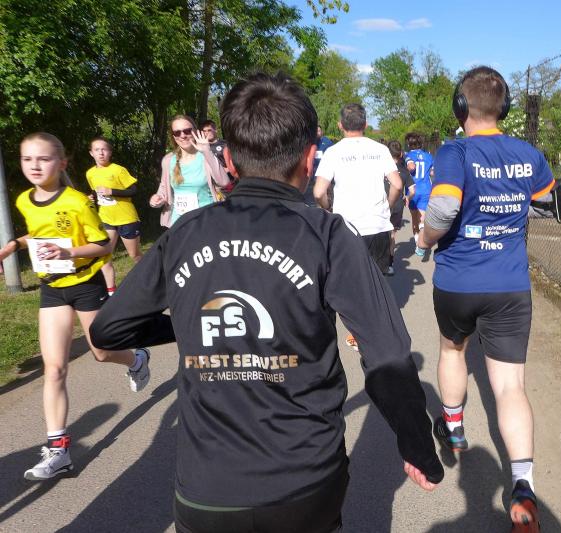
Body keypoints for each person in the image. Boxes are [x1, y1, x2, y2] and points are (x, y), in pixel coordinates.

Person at [90, 73, 443, 533]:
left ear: (228, 159)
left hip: (206, 494)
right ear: (310, 158)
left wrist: (191, 320)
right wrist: (416, 444)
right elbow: (387, 350)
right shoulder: (328, 234)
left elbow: (108, 330)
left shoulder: (185, 234)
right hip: (305, 488)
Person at [419, 66, 556, 533]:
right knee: (511, 387)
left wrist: (425, 239)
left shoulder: (454, 151)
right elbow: (550, 205)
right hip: (509, 285)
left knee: (452, 351)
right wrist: (509, 213)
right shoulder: (528, 153)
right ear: (506, 108)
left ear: (461, 107)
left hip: (459, 282)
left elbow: (443, 208)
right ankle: (522, 487)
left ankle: (453, 427)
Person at [0, 133, 150, 481]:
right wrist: (13, 245)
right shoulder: (23, 200)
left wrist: (68, 251)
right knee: (54, 369)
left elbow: (102, 245)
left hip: (85, 285)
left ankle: (136, 360)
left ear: (62, 163)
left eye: (44, 159)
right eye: (27, 159)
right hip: (52, 288)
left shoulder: (77, 201)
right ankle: (59, 452)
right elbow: (39, 233)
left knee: (101, 352)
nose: (35, 166)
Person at [313, 103, 403, 351]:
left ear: (340, 125)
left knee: (352, 281)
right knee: (378, 279)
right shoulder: (380, 149)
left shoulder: (333, 152)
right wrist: (388, 205)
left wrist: (328, 209)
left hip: (348, 226)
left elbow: (319, 191)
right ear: (365, 124)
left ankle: (357, 332)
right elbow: (397, 184)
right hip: (378, 223)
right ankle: (379, 327)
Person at [85, 137, 143, 296]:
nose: (101, 153)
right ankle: (111, 292)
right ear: (91, 153)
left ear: (110, 152)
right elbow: (96, 192)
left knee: (134, 255)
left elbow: (133, 190)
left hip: (126, 218)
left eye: (104, 149)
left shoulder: (118, 170)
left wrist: (112, 191)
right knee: (104, 255)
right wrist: (92, 198)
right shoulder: (90, 173)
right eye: (97, 150)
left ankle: (151, 278)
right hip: (106, 218)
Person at [150, 115, 230, 227]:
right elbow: (163, 189)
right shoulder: (168, 160)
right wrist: (157, 199)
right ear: (173, 136)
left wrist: (207, 151)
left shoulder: (206, 156)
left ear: (195, 131)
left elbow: (224, 182)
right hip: (179, 223)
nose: (183, 135)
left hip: (206, 221)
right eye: (177, 133)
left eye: (187, 131)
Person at [386, 140, 414, 275]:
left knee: (380, 233)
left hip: (381, 204)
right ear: (401, 154)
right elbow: (412, 190)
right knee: (392, 234)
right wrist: (407, 197)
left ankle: (376, 261)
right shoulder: (404, 171)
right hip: (397, 205)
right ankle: (389, 264)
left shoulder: (381, 168)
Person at [404, 133, 434, 257]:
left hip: (413, 190)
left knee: (414, 218)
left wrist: (407, 168)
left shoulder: (408, 155)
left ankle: (417, 241)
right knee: (422, 219)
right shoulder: (428, 156)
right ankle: (421, 244)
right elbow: (432, 173)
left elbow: (411, 167)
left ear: (408, 144)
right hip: (426, 189)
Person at [200, 119, 238, 196]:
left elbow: (236, 162)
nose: (206, 133)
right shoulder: (201, 148)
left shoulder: (225, 144)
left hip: (228, 182)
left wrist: (225, 169)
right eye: (204, 131)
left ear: (215, 130)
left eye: (209, 130)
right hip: (210, 184)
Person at [303, 125, 334, 206]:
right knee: (310, 200)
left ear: (322, 132)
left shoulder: (327, 142)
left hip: (323, 176)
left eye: (319, 131)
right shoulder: (307, 143)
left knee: (323, 196)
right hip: (310, 176)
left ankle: (327, 206)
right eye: (315, 131)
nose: (317, 133)